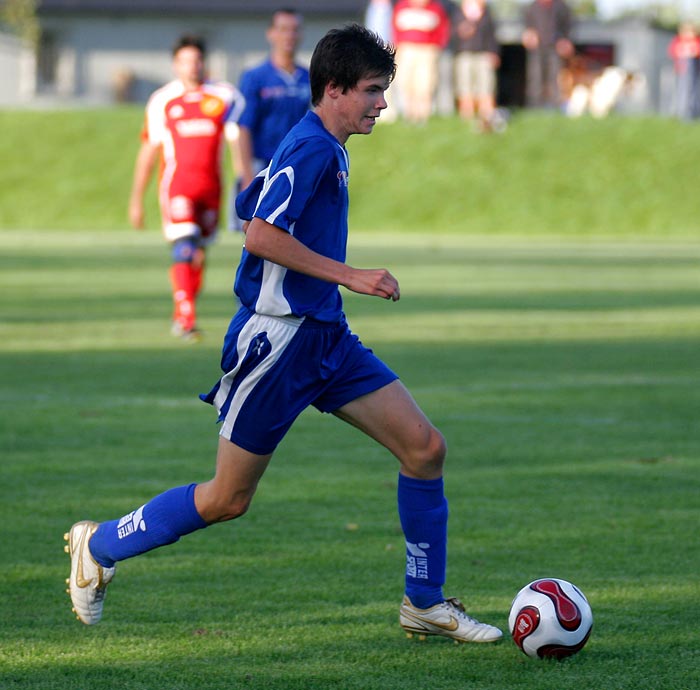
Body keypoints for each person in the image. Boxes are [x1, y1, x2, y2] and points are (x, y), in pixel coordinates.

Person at [64, 23, 502, 646]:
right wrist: (351, 273)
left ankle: (423, 604)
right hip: (278, 344)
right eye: (374, 90)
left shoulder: (319, 143)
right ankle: (99, 543)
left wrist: (287, 225)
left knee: (425, 449)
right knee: (227, 499)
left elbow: (253, 202)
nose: (383, 103)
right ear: (334, 88)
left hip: (326, 336)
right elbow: (260, 233)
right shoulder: (315, 148)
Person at [128, 35, 245, 341]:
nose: (192, 66)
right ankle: (185, 318)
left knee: (198, 256)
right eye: (185, 61)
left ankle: (185, 305)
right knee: (184, 247)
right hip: (177, 187)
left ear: (204, 62)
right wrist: (136, 199)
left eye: (197, 60)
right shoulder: (162, 100)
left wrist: (245, 179)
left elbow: (237, 140)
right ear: (175, 64)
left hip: (211, 189)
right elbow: (149, 150)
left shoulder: (224, 96)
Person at [229, 8, 311, 230]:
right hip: (262, 166)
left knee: (293, 233)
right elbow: (243, 127)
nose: (289, 36)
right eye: (283, 29)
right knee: (256, 235)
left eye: (295, 30)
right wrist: (247, 176)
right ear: (271, 34)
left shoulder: (308, 78)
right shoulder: (255, 77)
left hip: (294, 166)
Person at [392, 0, 451, 124]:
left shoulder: (435, 8)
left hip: (427, 49)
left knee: (425, 83)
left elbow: (443, 29)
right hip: (406, 49)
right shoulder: (402, 7)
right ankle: (410, 114)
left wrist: (437, 46)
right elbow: (394, 28)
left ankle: (423, 115)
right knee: (407, 82)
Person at [452, 0, 500, 131]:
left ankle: (486, 118)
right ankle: (467, 118)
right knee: (465, 87)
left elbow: (492, 35)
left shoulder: (487, 13)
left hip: (483, 55)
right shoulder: (458, 13)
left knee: (486, 87)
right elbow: (452, 35)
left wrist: (494, 52)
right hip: (464, 54)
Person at [521, 0, 574, 109]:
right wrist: (529, 34)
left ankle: (555, 106)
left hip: (554, 48)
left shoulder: (561, 6)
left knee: (555, 77)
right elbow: (527, 26)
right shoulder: (531, 7)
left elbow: (567, 26)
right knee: (535, 77)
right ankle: (534, 106)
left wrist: (564, 40)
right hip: (537, 48)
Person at [668, 22, 700, 121]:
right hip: (682, 70)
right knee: (683, 90)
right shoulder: (677, 40)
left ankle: (693, 112)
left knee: (694, 90)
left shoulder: (697, 40)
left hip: (695, 71)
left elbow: (697, 51)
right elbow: (672, 51)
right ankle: (683, 112)